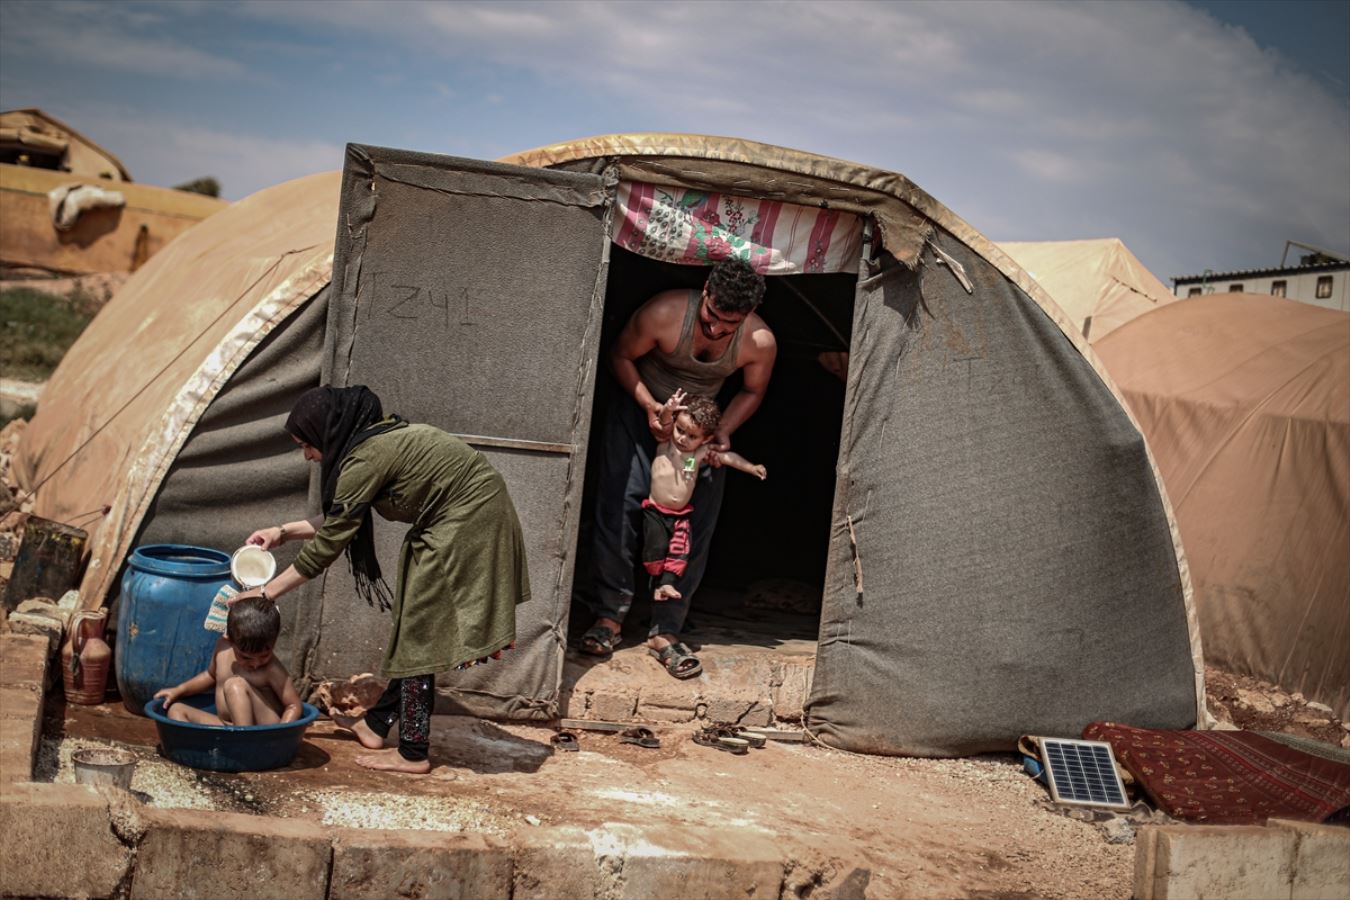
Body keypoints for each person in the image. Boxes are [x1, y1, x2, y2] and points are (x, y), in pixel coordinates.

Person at [232, 385, 530, 774]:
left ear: (327, 433)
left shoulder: (364, 459)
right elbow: (344, 515)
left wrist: (265, 593)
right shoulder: (370, 445)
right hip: (458, 518)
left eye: (307, 445)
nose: (307, 455)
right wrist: (282, 532)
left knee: (419, 637)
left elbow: (327, 546)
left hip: (468, 523)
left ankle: (413, 751)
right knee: (412, 629)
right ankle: (375, 726)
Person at [581, 257, 776, 678]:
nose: (717, 330)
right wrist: (650, 407)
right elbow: (620, 356)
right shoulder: (666, 312)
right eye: (712, 318)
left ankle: (666, 629)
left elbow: (753, 390)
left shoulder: (759, 340)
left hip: (701, 430)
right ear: (705, 291)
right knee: (620, 508)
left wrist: (722, 431)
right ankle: (609, 616)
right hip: (643, 415)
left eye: (730, 324)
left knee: (692, 527)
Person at [643, 390, 766, 641]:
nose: (683, 438)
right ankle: (656, 587)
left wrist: (751, 467)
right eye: (681, 430)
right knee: (655, 552)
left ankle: (665, 585)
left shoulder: (698, 455)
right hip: (656, 511)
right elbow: (665, 422)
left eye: (692, 436)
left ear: (705, 439)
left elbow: (727, 457)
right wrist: (670, 408)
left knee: (679, 555)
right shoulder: (666, 444)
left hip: (680, 517)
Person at [154, 596, 303, 726]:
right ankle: (206, 749)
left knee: (234, 685)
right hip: (228, 727)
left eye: (264, 655)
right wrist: (179, 690)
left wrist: (281, 733)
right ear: (229, 640)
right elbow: (210, 676)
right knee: (177, 710)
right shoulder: (222, 650)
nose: (256, 663)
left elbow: (293, 705)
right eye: (246, 657)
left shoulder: (272, 669)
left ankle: (242, 744)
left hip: (262, 730)